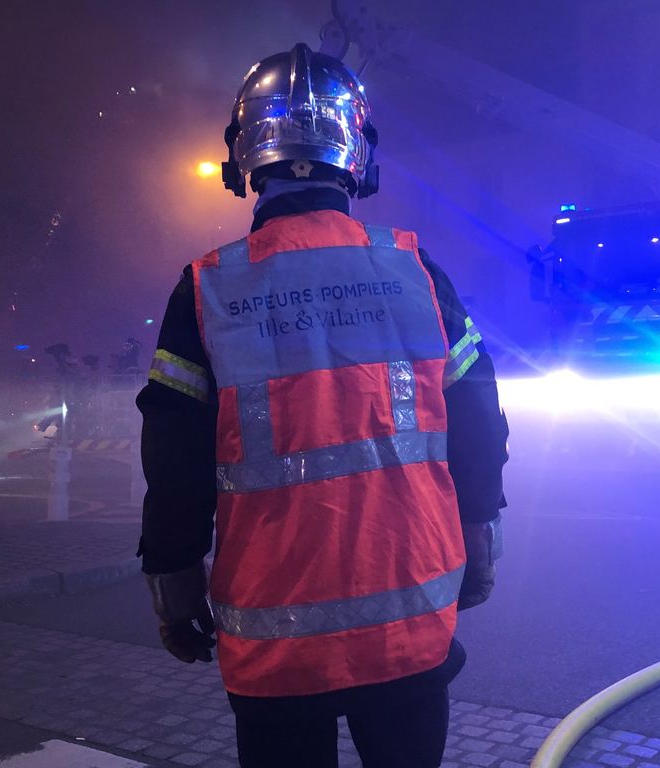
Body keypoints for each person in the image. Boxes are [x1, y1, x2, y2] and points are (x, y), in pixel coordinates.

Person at [137, 43, 509, 768]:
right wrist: (481, 535)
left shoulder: (207, 288)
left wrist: (173, 574)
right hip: (409, 618)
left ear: (243, 156)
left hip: (275, 634)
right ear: (358, 155)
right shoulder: (414, 268)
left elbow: (174, 454)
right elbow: (475, 416)